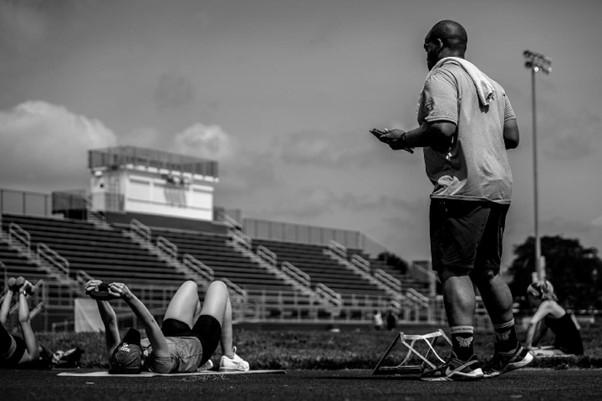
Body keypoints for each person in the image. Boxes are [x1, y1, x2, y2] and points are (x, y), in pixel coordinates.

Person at [372, 20, 532, 381]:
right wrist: (479, 134)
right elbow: (512, 135)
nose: (425, 55)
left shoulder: (442, 77)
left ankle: (463, 357)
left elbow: (442, 127)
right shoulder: (490, 82)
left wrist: (403, 138)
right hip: (498, 186)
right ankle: (510, 348)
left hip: (462, 187)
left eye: (427, 47)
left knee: (453, 271)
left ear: (439, 44)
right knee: (486, 271)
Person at [85, 279, 249, 374]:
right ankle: (229, 358)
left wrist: (98, 296)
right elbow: (149, 322)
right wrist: (128, 296)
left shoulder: (118, 360)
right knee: (219, 286)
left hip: (171, 335)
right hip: (198, 344)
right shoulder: (160, 362)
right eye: (139, 347)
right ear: (142, 357)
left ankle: (196, 366)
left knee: (190, 286)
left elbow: (110, 322)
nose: (134, 344)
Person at [0, 277, 53, 368]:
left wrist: (22, 291)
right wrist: (11, 291)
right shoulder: (23, 358)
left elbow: (24, 321)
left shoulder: (34, 355)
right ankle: (11, 289)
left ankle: (14, 289)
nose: (39, 346)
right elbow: (2, 319)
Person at [524, 280, 583, 356]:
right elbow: (541, 331)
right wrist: (533, 345)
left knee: (527, 354)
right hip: (563, 348)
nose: (528, 299)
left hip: (570, 351)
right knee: (527, 352)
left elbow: (532, 323)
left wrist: (528, 347)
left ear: (534, 295)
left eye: (529, 296)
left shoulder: (547, 304)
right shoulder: (548, 306)